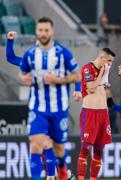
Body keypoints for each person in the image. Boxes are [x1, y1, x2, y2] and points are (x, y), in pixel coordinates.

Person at [6, 31, 81, 180]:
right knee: (44, 144)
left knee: (50, 145)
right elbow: (11, 58)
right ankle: (56, 175)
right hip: (39, 110)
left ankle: (58, 174)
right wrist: (10, 41)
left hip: (56, 110)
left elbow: (76, 75)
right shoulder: (30, 62)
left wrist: (78, 90)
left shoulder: (58, 64)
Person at [77, 48, 116, 180]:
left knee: (99, 150)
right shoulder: (88, 68)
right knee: (86, 148)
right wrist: (102, 74)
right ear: (102, 58)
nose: (110, 64)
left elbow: (102, 90)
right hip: (90, 113)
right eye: (109, 60)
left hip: (103, 115)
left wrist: (104, 75)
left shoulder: (104, 71)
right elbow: (92, 88)